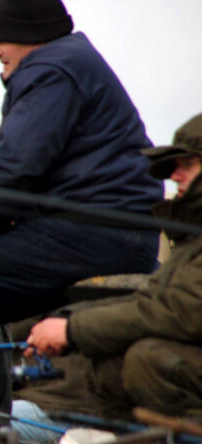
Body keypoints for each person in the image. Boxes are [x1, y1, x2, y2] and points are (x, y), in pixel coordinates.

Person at [0, 0, 163, 444]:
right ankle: (11, 410)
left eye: (1, 39)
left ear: (30, 34)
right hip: (110, 229)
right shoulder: (67, 63)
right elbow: (13, 174)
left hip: (101, 231)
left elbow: (17, 168)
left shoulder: (50, 70)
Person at [26, 113, 202, 418]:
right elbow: (154, 302)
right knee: (114, 362)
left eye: (188, 165)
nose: (175, 176)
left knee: (146, 359)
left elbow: (177, 311)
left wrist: (72, 329)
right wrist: (70, 323)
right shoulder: (190, 237)